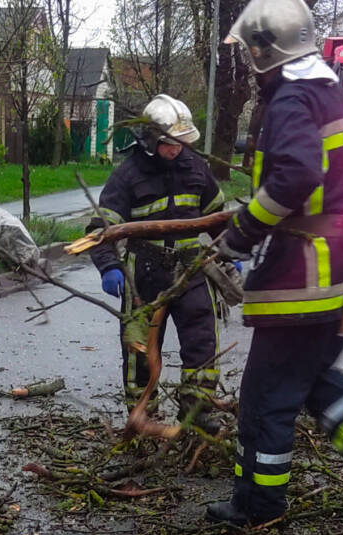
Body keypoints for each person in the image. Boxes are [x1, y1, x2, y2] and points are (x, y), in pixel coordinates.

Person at [206, 0, 343, 526]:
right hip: (341, 272)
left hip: (304, 276)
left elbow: (295, 176)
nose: (250, 59)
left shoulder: (291, 99)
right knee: (307, 381)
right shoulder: (326, 90)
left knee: (264, 402)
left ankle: (257, 507)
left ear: (267, 50)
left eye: (253, 49)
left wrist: (240, 235)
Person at [87, 94, 229, 434]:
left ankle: (197, 414)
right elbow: (101, 228)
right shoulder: (128, 175)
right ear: (151, 140)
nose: (176, 149)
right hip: (145, 273)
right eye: (169, 143)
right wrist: (109, 266)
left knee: (202, 342)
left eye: (181, 142)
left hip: (191, 269)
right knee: (139, 351)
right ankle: (142, 416)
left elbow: (220, 219)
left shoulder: (197, 169)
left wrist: (229, 255)